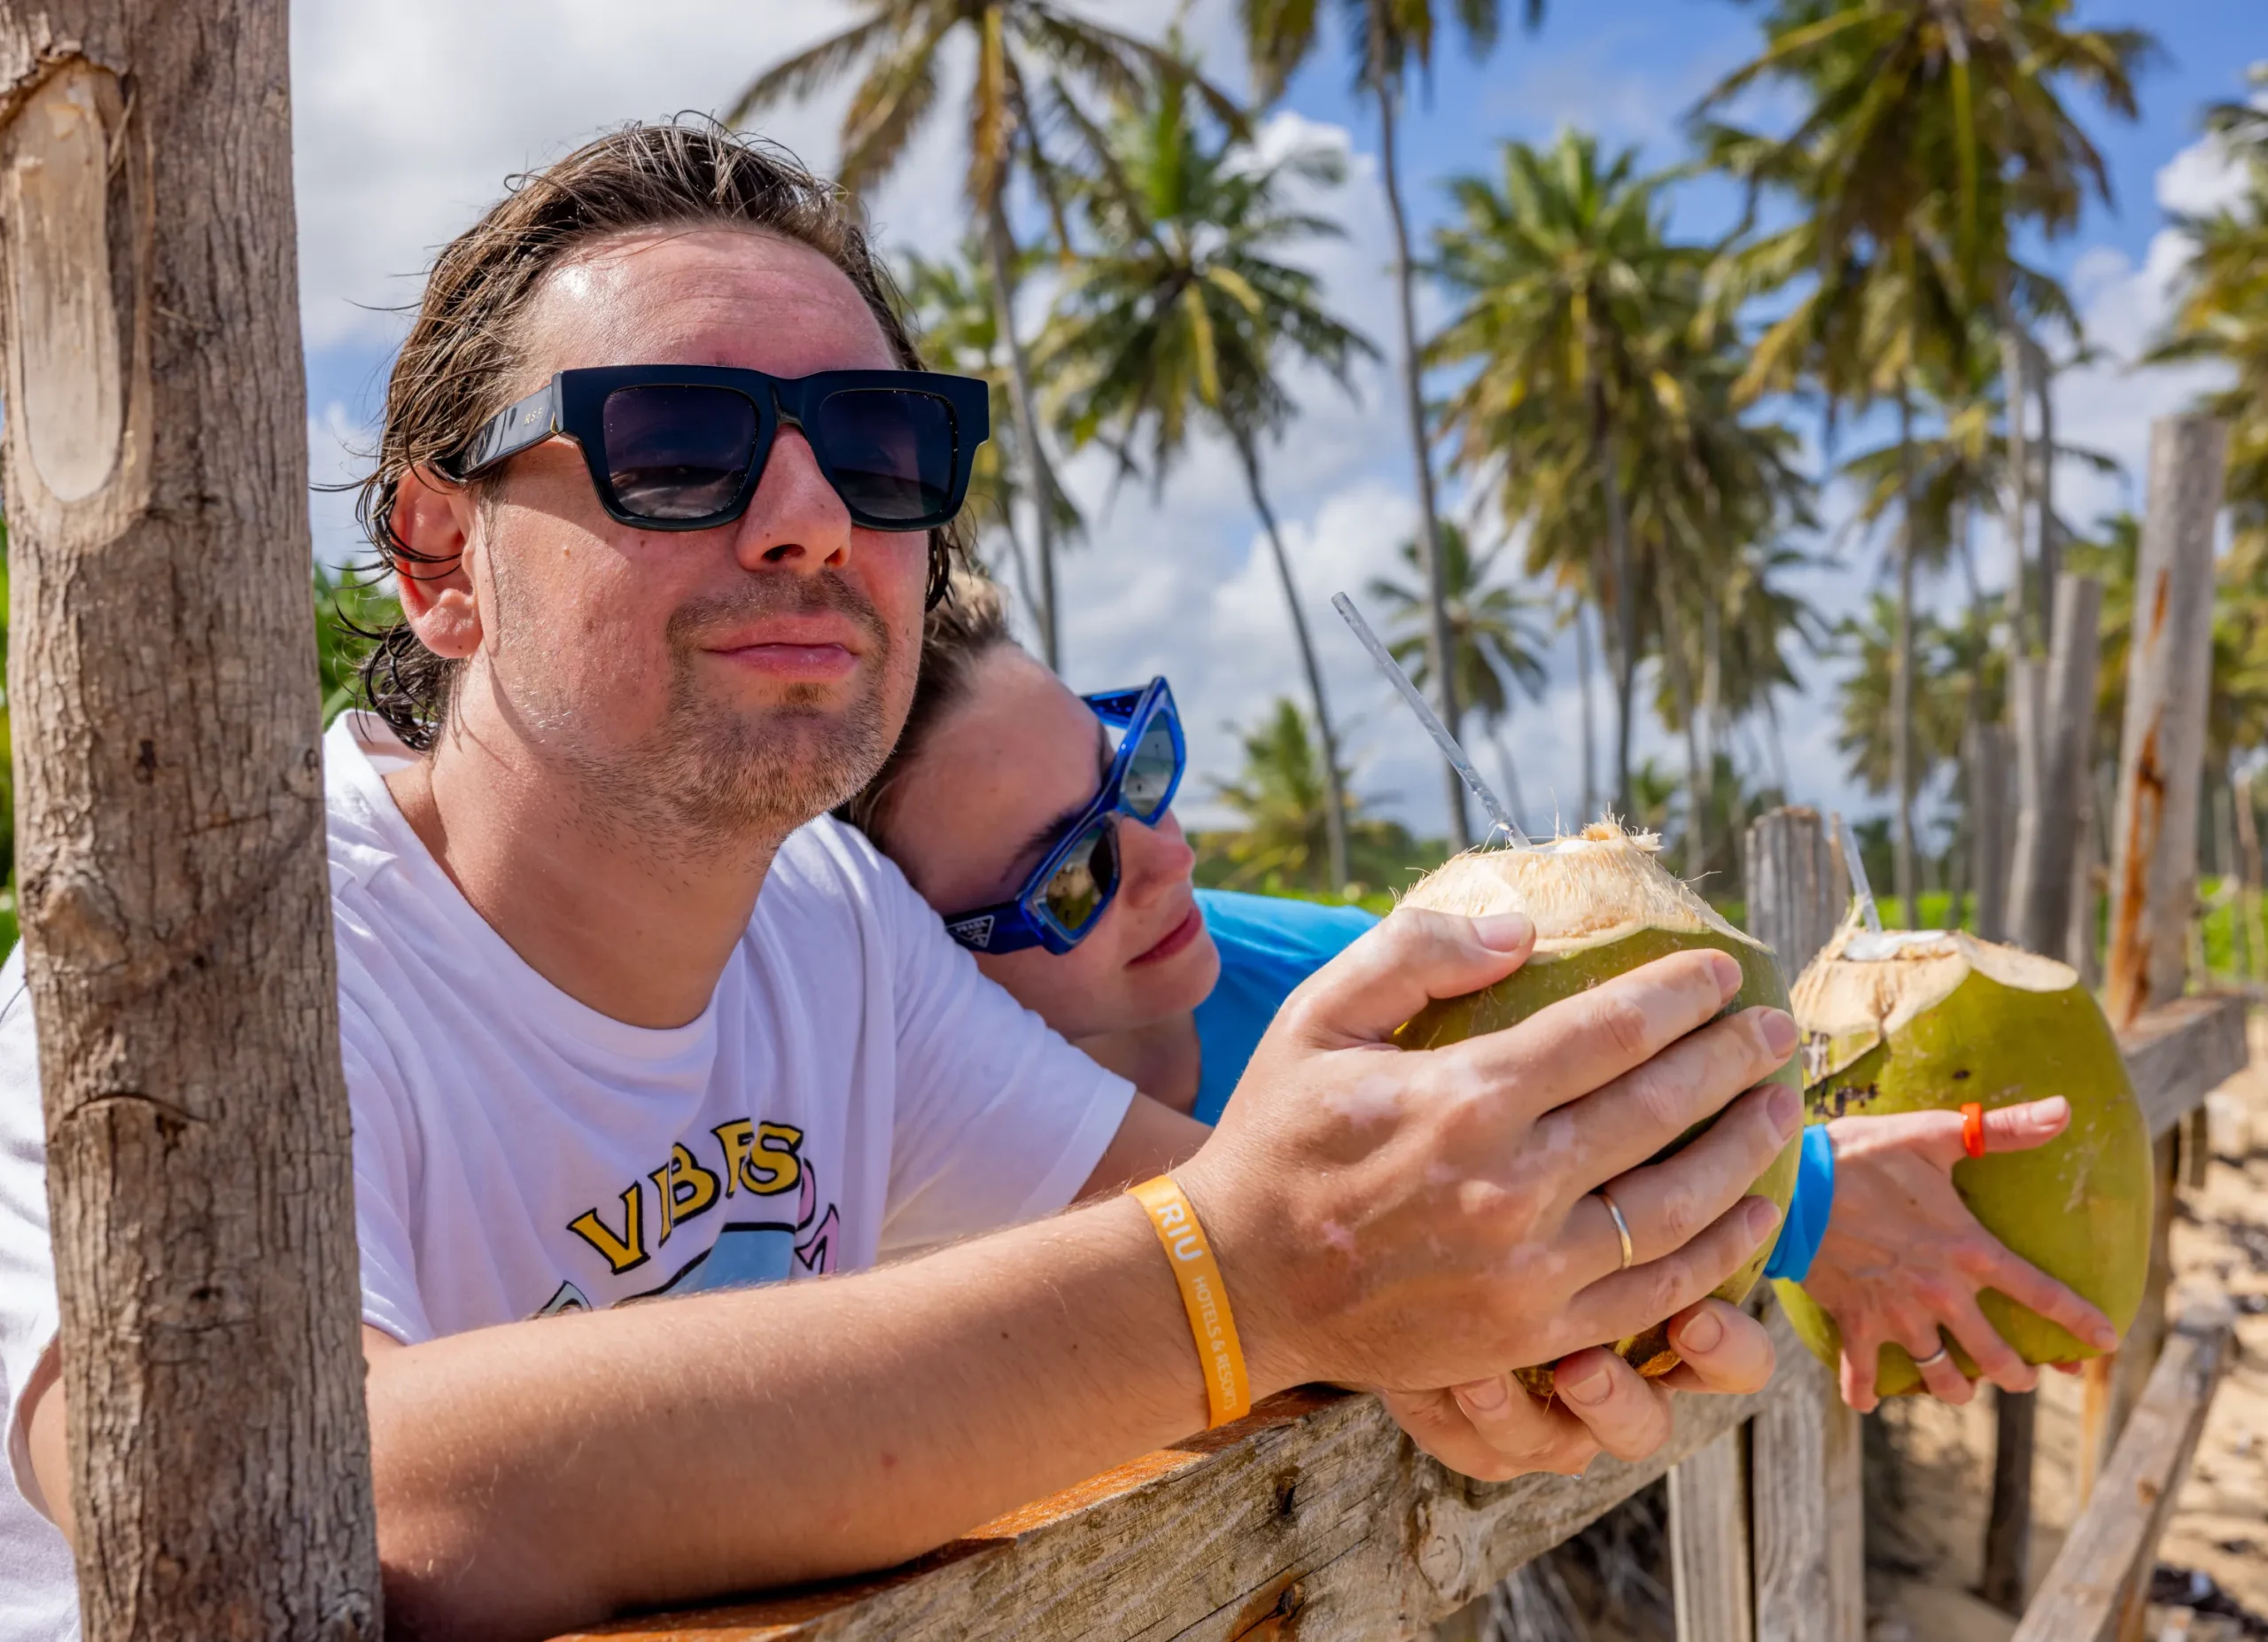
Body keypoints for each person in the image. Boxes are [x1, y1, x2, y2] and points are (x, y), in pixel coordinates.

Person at [0, 123, 1806, 1642]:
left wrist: (1486, 1307)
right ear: (436, 555)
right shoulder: (196, 990)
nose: (807, 516)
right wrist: (1257, 1280)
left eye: (879, 450)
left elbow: (1250, 1235)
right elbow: (310, 1495)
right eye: (678, 440)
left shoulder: (829, 927)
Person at [840, 570, 2125, 1415]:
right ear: (908, 962)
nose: (1168, 857)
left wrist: (1809, 1196)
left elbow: (1580, 1115)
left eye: (1139, 764)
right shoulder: (865, 1164)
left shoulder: (1329, 976)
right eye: (1071, 877)